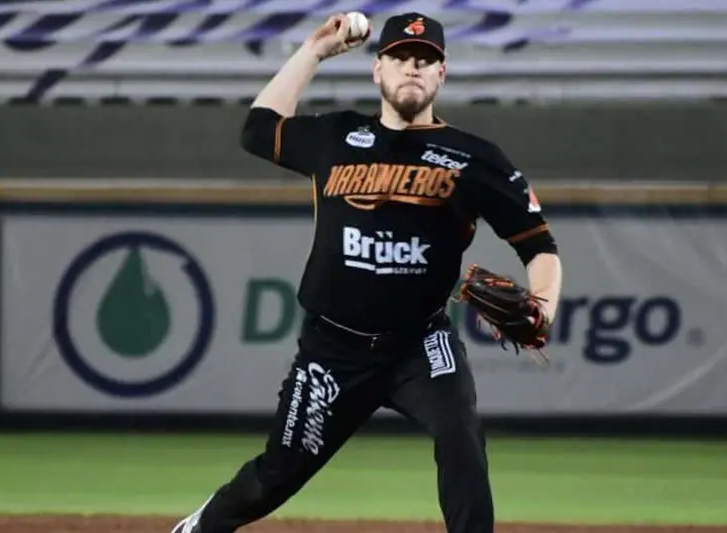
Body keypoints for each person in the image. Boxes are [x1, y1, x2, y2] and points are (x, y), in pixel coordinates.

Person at [170, 11, 563, 533]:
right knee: (274, 477)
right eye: (400, 57)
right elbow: (257, 130)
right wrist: (313, 51)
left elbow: (539, 247)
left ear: (441, 74)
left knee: (461, 436)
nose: (412, 67)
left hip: (420, 343)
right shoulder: (335, 136)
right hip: (332, 349)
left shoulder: (474, 158)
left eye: (425, 60)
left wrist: (543, 307)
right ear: (378, 69)